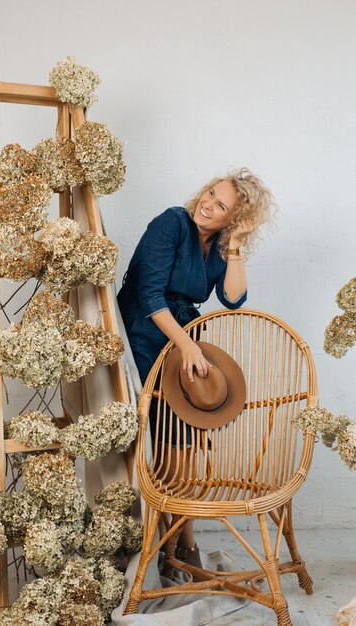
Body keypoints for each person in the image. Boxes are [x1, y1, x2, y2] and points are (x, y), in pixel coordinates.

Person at [117, 167, 275, 563]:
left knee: (184, 440)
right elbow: (150, 295)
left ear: (233, 219)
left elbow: (233, 298)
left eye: (221, 205)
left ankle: (178, 538)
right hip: (145, 331)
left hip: (182, 339)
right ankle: (180, 543)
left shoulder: (221, 243)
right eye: (210, 193)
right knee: (167, 430)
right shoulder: (171, 223)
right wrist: (188, 347)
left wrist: (235, 243)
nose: (207, 203)